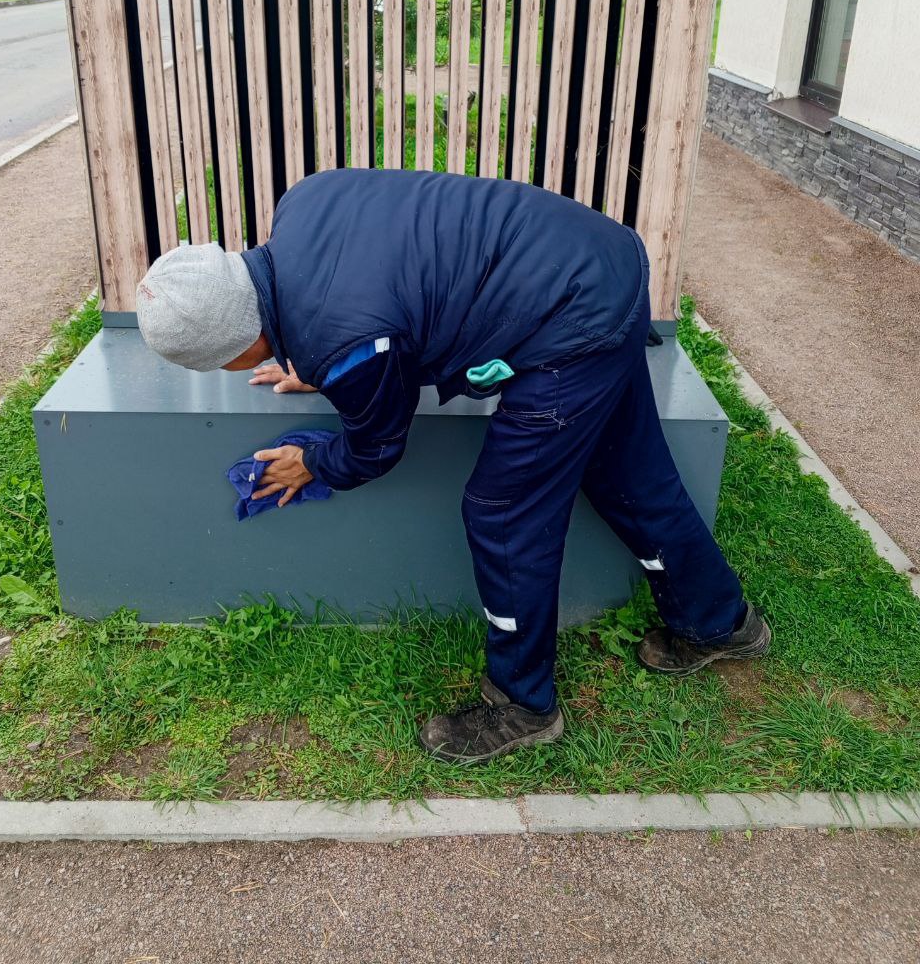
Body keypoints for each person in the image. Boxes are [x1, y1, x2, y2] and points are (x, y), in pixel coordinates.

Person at [136, 168, 770, 764]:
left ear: (237, 344)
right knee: (626, 473)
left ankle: (523, 704)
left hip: (573, 323)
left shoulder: (346, 343)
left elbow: (375, 446)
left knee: (503, 513)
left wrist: (314, 460)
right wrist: (324, 358)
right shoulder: (305, 201)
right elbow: (376, 307)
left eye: (221, 362)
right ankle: (720, 622)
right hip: (600, 263)